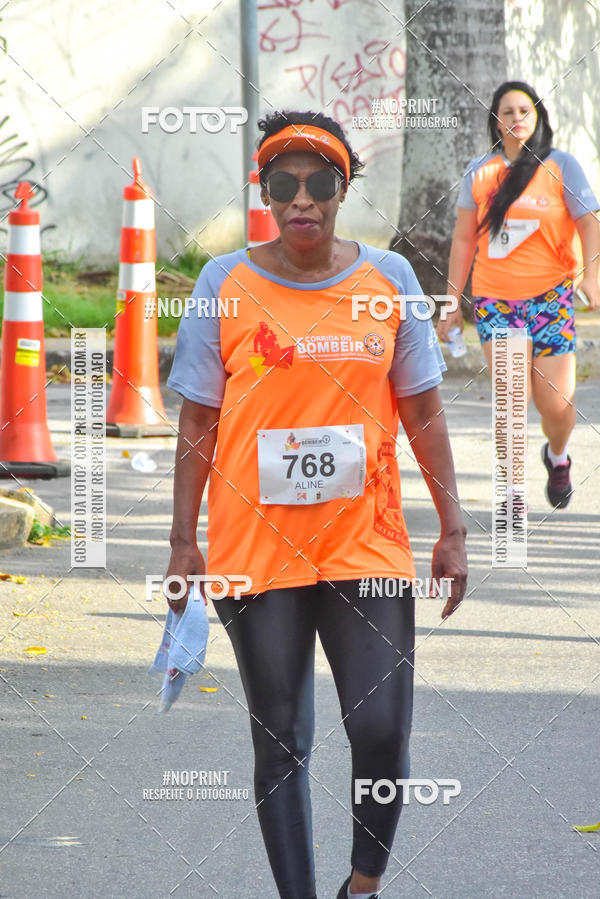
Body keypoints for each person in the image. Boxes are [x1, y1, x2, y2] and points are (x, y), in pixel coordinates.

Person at [166, 110, 468, 899]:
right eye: (284, 183)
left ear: (343, 190)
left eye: (320, 182)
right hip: (254, 548)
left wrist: (454, 526)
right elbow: (198, 418)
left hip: (363, 544)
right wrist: (180, 543)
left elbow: (423, 411)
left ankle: (361, 888)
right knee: (282, 740)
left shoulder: (389, 281)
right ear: (264, 190)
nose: (302, 199)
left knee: (381, 732)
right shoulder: (222, 285)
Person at [437, 80, 600, 508]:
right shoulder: (480, 171)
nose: (516, 119)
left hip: (551, 299)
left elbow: (590, 223)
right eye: (507, 112)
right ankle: (511, 492)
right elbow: (462, 240)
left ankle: (557, 454)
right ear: (496, 121)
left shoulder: (561, 165)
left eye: (524, 111)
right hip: (498, 302)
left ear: (538, 117)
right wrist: (453, 301)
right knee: (510, 399)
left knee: (556, 405)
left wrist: (593, 275)